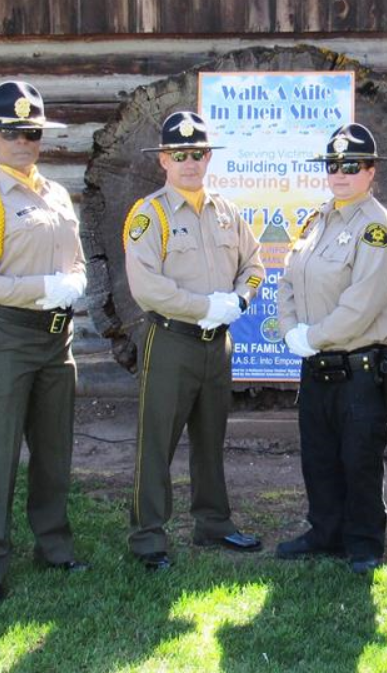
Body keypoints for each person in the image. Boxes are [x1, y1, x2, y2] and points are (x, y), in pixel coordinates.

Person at [0, 81, 89, 605]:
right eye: (10, 132)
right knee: (0, 453)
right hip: (8, 337)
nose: (21, 141)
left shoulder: (56, 194)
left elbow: (75, 258)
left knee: (55, 450)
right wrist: (42, 290)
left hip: (58, 341)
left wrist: (73, 281)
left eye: (30, 132)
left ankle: (53, 544)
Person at [123, 111, 265, 570]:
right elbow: (147, 288)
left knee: (210, 439)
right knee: (157, 443)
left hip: (216, 346)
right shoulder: (150, 215)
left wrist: (240, 301)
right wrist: (204, 307)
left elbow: (255, 265)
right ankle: (148, 536)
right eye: (179, 154)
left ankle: (214, 523)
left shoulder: (226, 211)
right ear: (164, 159)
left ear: (208, 158)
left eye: (198, 153)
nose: (190, 162)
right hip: (172, 342)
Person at [275, 124, 387, 574]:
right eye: (334, 165)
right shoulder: (317, 221)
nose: (341, 173)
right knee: (320, 456)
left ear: (371, 171)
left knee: (359, 458)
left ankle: (364, 542)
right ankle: (324, 530)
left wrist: (310, 338)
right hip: (315, 365)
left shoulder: (377, 230)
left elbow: (362, 304)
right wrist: (291, 331)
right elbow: (288, 280)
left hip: (359, 367)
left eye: (352, 166)